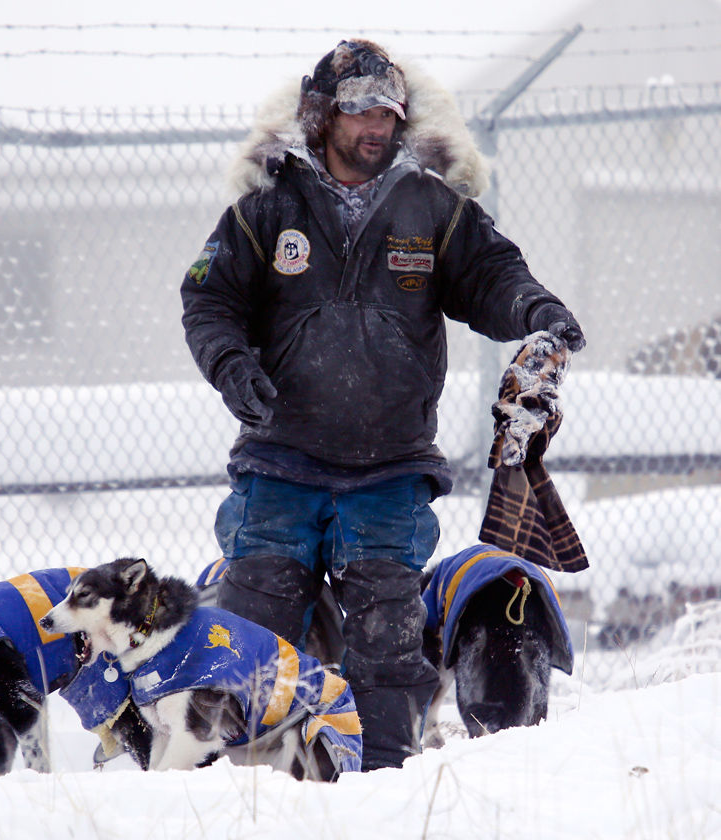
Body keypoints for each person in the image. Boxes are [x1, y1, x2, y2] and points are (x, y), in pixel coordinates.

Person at [179, 38, 585, 771]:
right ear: (322, 114)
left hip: (390, 470)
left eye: (388, 111)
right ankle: (231, 790)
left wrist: (536, 310)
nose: (376, 125)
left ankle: (382, 787)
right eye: (360, 109)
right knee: (252, 626)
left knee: (388, 639)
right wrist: (231, 365)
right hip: (279, 459)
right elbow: (208, 299)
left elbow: (492, 276)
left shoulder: (430, 205)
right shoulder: (267, 204)